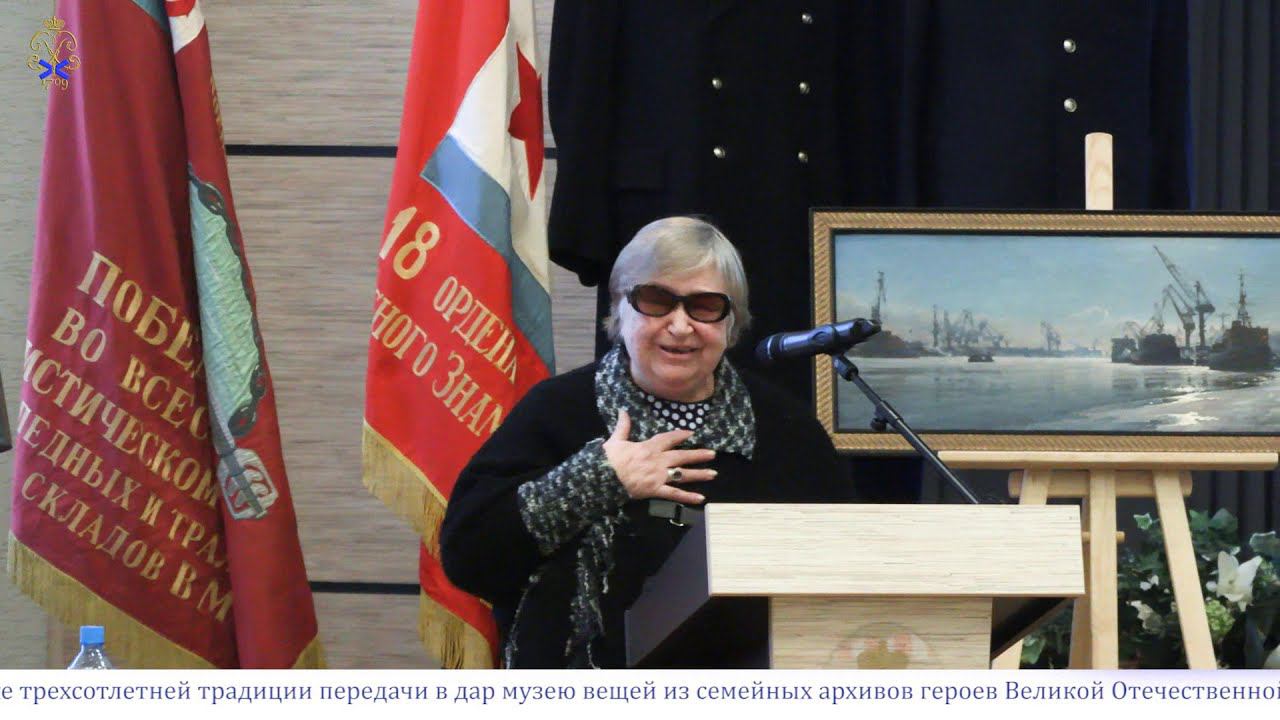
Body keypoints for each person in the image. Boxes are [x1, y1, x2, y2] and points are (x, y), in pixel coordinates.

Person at [440, 216, 848, 668]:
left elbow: (841, 571)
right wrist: (597, 479)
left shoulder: (786, 428)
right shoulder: (556, 410)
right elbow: (468, 556)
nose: (680, 326)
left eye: (705, 306)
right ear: (620, 308)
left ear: (731, 323)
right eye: (656, 301)